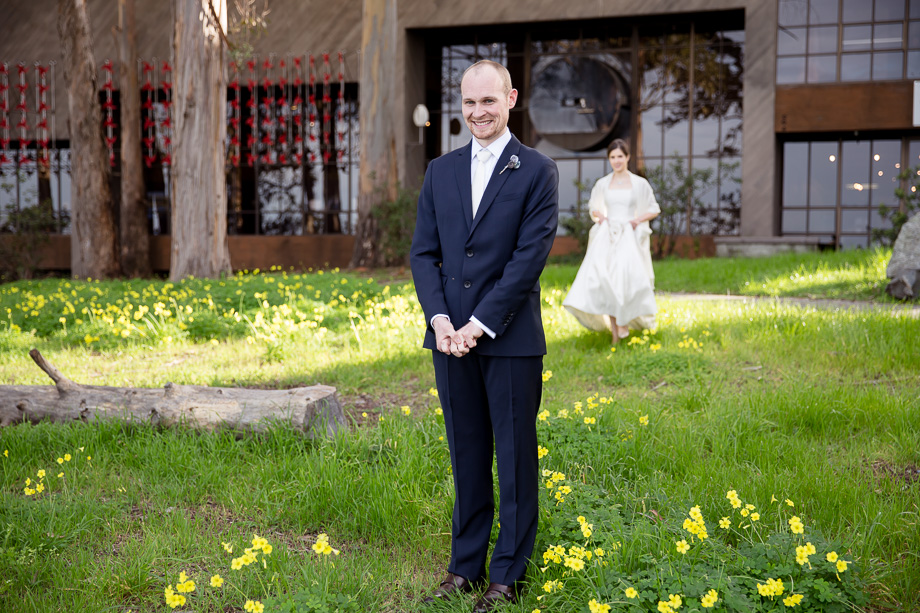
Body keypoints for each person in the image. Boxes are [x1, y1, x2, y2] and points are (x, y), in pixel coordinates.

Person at [409, 60, 559, 612]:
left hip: (509, 338)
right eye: (469, 104)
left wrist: (479, 323)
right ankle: (465, 567)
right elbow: (425, 253)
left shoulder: (538, 171)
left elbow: (527, 261)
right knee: (466, 453)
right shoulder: (439, 171)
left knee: (514, 457)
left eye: (488, 102)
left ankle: (508, 575)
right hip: (449, 340)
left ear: (511, 98)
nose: (477, 113)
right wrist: (441, 319)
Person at [563, 139, 660, 342]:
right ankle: (616, 334)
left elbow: (653, 208)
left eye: (620, 157)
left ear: (627, 157)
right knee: (606, 281)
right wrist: (600, 216)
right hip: (607, 236)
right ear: (609, 159)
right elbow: (594, 207)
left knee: (624, 281)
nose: (616, 161)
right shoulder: (603, 184)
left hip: (628, 236)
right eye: (613, 157)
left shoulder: (639, 184)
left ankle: (624, 322)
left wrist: (636, 221)